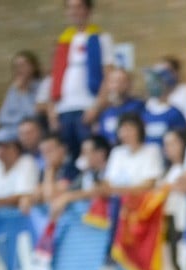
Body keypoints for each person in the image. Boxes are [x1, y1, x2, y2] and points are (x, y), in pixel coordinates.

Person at [50, 0, 115, 163]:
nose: (74, 11)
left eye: (79, 7)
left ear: (88, 10)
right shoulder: (63, 41)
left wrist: (96, 106)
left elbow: (108, 75)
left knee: (89, 157)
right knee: (68, 158)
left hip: (87, 107)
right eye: (70, 8)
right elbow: (55, 77)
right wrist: (52, 112)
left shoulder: (101, 38)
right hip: (64, 109)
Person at [0, 50, 44, 137]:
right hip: (14, 129)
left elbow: (33, 115)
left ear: (33, 67)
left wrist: (23, 93)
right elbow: (2, 118)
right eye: (16, 66)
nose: (19, 69)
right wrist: (19, 121)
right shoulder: (13, 89)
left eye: (23, 65)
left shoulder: (41, 86)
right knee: (0, 135)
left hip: (34, 129)